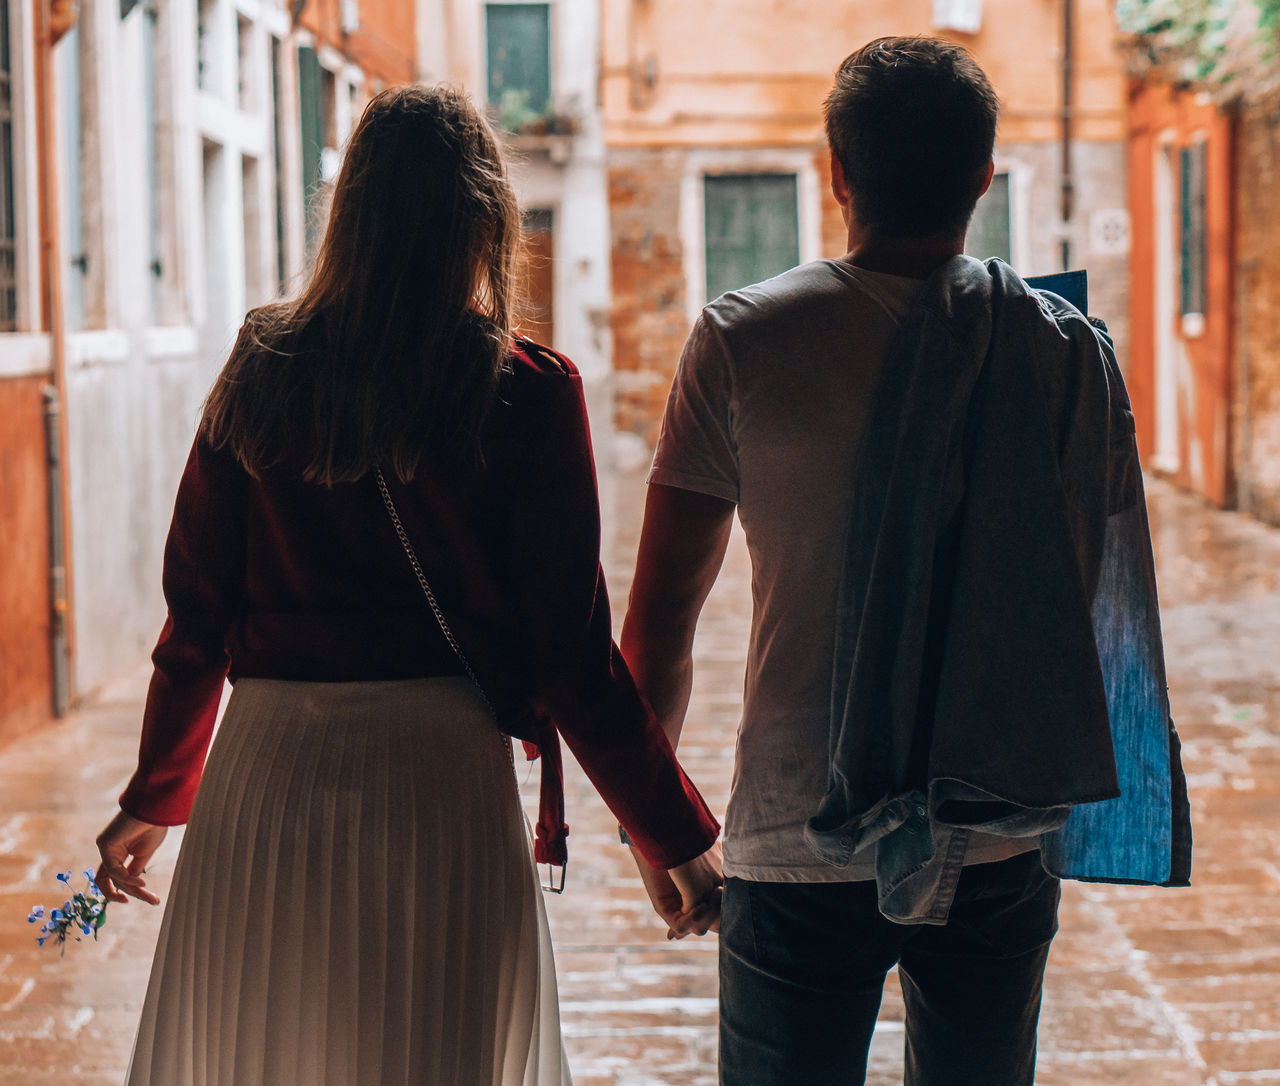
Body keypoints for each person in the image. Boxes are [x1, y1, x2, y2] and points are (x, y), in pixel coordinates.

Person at [93, 83, 723, 1086]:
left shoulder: (260, 364)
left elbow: (195, 620)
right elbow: (569, 657)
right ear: (482, 218)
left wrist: (155, 795)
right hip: (436, 781)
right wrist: (674, 833)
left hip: (268, 775)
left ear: (348, 209)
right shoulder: (525, 387)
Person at [619, 36, 1189, 1086]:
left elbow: (656, 628)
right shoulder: (1064, 351)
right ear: (982, 175)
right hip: (998, 825)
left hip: (795, 826)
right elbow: (1092, 602)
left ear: (834, 170)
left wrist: (657, 836)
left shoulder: (741, 340)